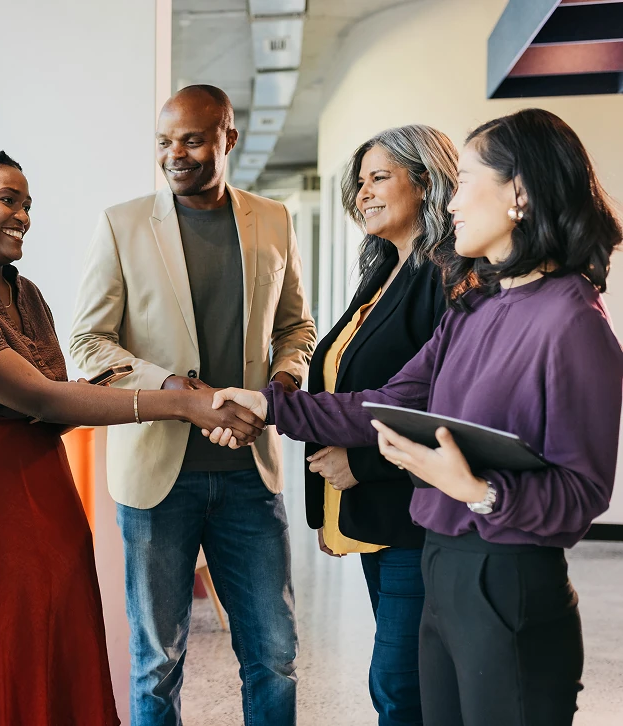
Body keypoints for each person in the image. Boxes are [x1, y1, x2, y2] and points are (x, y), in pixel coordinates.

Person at [208, 108, 623, 726]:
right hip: (441, 559)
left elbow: (581, 494)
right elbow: (387, 401)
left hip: (506, 577)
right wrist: (269, 405)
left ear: (520, 193)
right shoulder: (475, 307)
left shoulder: (572, 322)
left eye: (466, 183)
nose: (450, 203)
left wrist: (478, 491)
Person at [0, 144, 263, 726]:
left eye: (28, 205)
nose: (23, 216)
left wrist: (127, 384)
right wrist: (181, 407)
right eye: (8, 200)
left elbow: (55, 406)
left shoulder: (26, 293)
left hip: (46, 491)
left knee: (51, 648)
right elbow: (39, 396)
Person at [70, 85, 316, 726]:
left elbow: (296, 329)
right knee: (157, 663)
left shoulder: (273, 220)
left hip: (250, 477)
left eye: (192, 139)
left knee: (275, 656)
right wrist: (180, 397)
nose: (175, 154)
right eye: (163, 141)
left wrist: (281, 388)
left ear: (227, 138)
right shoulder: (122, 224)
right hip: (156, 477)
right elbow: (89, 342)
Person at [305, 125, 457, 726]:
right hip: (372, 510)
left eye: (380, 178)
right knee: (403, 682)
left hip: (415, 513)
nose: (364, 192)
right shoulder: (383, 272)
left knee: (398, 682)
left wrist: (360, 464)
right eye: (360, 181)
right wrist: (326, 510)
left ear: (426, 183)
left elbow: (448, 410)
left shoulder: (445, 277)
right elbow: (342, 388)